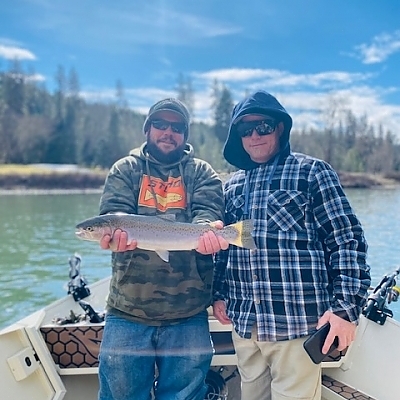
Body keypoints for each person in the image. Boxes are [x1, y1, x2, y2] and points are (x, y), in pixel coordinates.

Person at [211, 90, 372, 400]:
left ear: (280, 129)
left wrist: (346, 308)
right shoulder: (231, 185)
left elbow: (346, 239)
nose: (254, 135)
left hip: (297, 325)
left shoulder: (312, 172)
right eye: (246, 130)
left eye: (264, 126)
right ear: (237, 137)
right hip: (245, 325)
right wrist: (218, 293)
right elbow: (225, 248)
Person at [96, 98, 227, 400]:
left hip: (189, 311)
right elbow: (113, 212)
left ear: (185, 134)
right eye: (160, 124)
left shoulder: (202, 173)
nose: (168, 132)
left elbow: (207, 213)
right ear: (147, 129)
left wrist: (209, 233)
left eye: (177, 127)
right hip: (128, 310)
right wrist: (109, 237)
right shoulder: (125, 169)